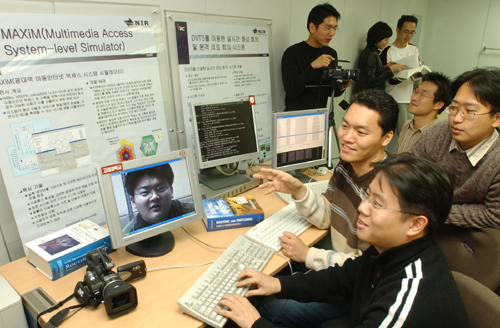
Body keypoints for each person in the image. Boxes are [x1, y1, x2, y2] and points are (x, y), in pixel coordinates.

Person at [215, 154, 471, 328]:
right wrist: (277, 283)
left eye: (377, 204)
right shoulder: (393, 248)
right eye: (367, 195)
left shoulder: (404, 304)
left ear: (416, 224)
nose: (363, 208)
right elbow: (341, 279)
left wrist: (255, 323)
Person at [249, 89, 399, 327]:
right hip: (337, 268)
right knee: (263, 267)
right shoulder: (346, 165)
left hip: (354, 289)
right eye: (345, 126)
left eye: (361, 132)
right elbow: (329, 215)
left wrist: (308, 255)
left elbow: (364, 268)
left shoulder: (387, 191)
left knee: (267, 305)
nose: (347, 138)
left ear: (386, 137)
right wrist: (299, 190)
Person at [409, 67, 500, 228]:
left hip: (469, 242)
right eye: (454, 108)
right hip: (421, 226)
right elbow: (408, 171)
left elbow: (493, 214)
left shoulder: (496, 160)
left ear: (496, 118)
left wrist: (430, 212)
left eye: (469, 111)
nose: (456, 119)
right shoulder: (439, 132)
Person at [281, 3, 351, 111]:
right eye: (327, 28)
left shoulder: (331, 53)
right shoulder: (292, 53)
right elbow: (291, 91)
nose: (331, 33)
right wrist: (312, 67)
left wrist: (341, 87)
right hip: (295, 117)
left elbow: (328, 91)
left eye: (334, 29)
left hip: (319, 117)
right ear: (312, 27)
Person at [380, 15, 420, 152]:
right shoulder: (388, 51)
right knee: (396, 136)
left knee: (410, 135)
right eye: (406, 31)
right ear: (398, 30)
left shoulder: (414, 49)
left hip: (409, 98)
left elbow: (417, 75)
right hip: (393, 98)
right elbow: (386, 78)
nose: (409, 35)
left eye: (412, 32)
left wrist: (416, 74)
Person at [123, 164, 194, 232]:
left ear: (171, 191)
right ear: (133, 201)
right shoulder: (128, 236)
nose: (154, 197)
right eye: (145, 192)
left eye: (161, 188)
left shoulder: (193, 211)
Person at [397, 72, 451, 153]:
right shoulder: (407, 125)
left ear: (438, 105)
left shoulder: (438, 136)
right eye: (416, 91)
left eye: (423, 95)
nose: (415, 98)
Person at [353, 21, 406, 94]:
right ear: (377, 38)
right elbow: (372, 80)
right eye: (385, 40)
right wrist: (391, 69)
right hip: (368, 97)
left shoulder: (371, 51)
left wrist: (385, 67)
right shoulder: (371, 53)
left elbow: (373, 73)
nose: (387, 42)